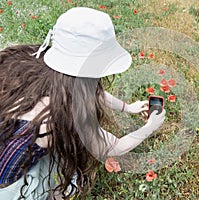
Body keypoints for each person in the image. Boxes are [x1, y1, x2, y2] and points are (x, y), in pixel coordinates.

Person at [0, 7, 165, 200]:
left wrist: (127, 107)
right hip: (9, 190)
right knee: (66, 171)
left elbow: (89, 90)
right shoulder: (64, 114)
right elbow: (113, 147)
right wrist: (150, 127)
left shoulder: (29, 61)